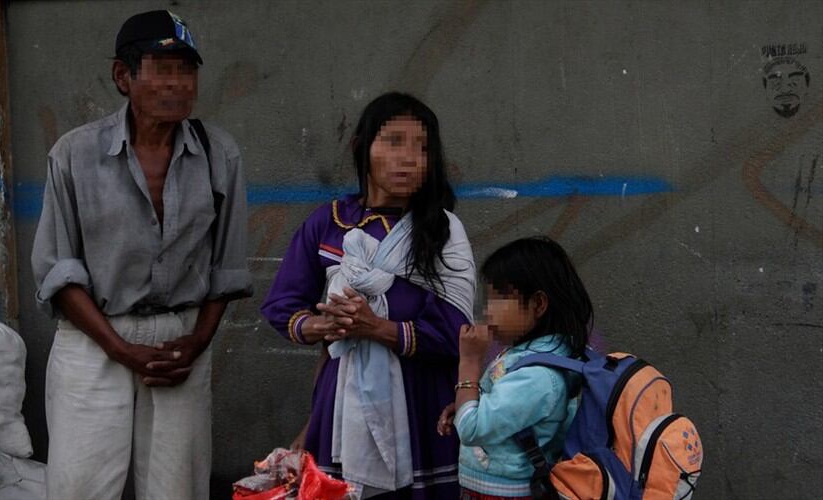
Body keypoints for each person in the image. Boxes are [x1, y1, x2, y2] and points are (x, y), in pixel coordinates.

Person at [31, 10, 252, 500]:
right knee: (80, 487)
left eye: (187, 71)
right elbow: (59, 270)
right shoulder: (74, 154)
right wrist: (118, 347)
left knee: (177, 489)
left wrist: (196, 343)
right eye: (161, 68)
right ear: (122, 76)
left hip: (180, 342)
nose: (177, 84)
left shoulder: (220, 154)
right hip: (93, 342)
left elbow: (227, 267)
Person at [261, 92, 476, 499]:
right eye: (394, 142)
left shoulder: (443, 232)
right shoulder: (327, 224)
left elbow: (455, 332)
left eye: (422, 147)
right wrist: (321, 325)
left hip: (422, 406)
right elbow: (281, 305)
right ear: (363, 148)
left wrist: (377, 327)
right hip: (340, 401)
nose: (410, 158)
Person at [437, 236, 592, 499]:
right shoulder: (532, 357)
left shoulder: (539, 376)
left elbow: (471, 429)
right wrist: (471, 402)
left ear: (538, 304)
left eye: (498, 299)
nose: (487, 312)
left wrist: (469, 363)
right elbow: (504, 410)